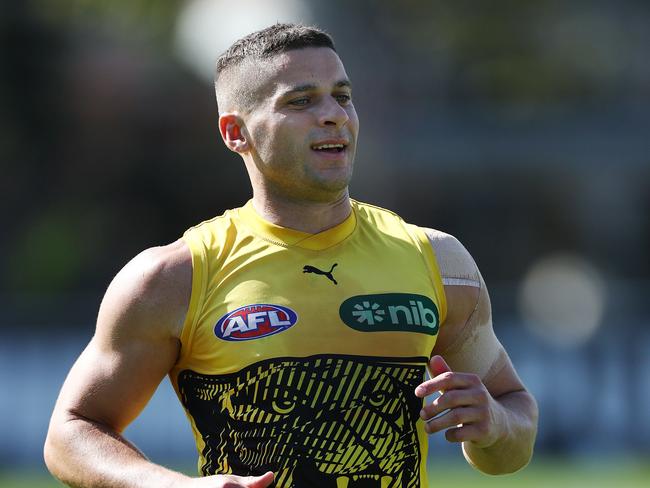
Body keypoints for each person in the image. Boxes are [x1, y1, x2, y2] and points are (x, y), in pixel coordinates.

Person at [44, 23, 538, 488]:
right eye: (301, 100)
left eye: (342, 96)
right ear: (236, 133)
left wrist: (493, 423)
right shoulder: (175, 276)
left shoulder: (439, 260)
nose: (335, 115)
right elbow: (70, 433)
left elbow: (511, 440)